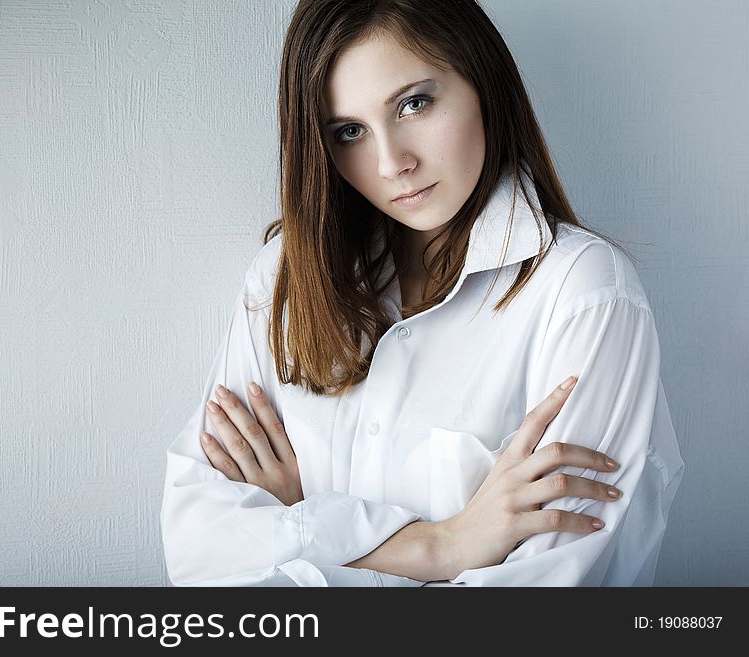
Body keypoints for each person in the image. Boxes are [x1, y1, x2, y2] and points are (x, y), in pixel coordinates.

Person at [160, 0, 684, 586]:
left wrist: (297, 527)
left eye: (414, 104)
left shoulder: (582, 293)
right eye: (349, 131)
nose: (392, 163)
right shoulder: (285, 278)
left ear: (483, 83)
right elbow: (196, 549)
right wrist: (440, 546)